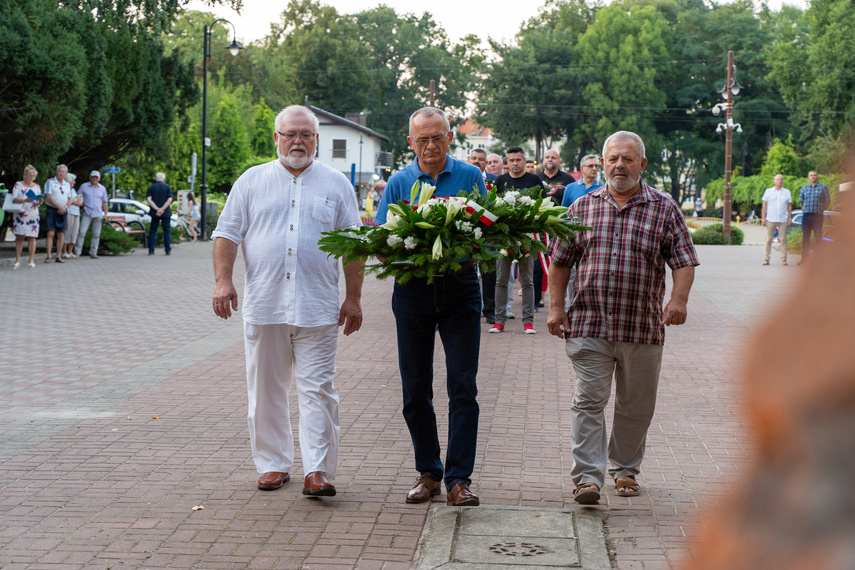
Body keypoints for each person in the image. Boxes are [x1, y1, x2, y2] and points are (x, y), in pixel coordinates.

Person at [212, 105, 364, 498]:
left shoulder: (336, 184)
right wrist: (223, 282)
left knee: (318, 390)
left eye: (306, 135)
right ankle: (273, 464)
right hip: (265, 304)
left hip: (318, 306)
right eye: (291, 134)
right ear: (276, 138)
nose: (298, 141)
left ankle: (317, 470)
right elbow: (227, 234)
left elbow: (354, 245)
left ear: (317, 139)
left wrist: (354, 298)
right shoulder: (251, 181)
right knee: (265, 389)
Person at [546, 131, 699, 505]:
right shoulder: (581, 208)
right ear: (602, 163)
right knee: (588, 401)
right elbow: (560, 262)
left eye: (628, 159)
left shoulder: (664, 207)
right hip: (589, 324)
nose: (619, 166)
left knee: (636, 404)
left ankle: (625, 468)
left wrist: (678, 301)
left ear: (642, 164)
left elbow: (683, 260)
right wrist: (555, 308)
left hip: (641, 326)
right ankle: (587, 479)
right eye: (612, 159)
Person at [374, 107, 486, 507]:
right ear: (410, 142)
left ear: (450, 137)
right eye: (422, 139)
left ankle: (459, 478)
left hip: (460, 289)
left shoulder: (471, 177)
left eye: (437, 137)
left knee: (463, 385)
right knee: (415, 386)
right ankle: (428, 472)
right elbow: (380, 240)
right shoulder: (399, 182)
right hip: (413, 291)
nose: (431, 146)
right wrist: (407, 254)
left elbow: (486, 231)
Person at [490, 147, 545, 335]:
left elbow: (543, 206)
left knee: (528, 281)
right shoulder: (501, 181)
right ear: (506, 162)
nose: (515, 163)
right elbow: (493, 208)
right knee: (501, 280)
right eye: (511, 160)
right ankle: (499, 320)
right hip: (505, 238)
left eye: (518, 160)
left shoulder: (534, 180)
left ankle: (528, 322)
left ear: (524, 160)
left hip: (527, 237)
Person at [10, 165, 43, 269]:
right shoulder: (18, 184)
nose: (32, 178)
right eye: (30, 176)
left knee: (32, 237)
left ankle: (31, 260)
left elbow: (37, 202)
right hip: (21, 213)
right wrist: (24, 200)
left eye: (34, 176)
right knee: (20, 236)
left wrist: (40, 202)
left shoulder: (37, 186)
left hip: (33, 214)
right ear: (25, 175)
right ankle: (17, 260)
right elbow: (14, 198)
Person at [797, 170, 830, 265]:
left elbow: (827, 202)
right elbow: (801, 202)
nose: (813, 177)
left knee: (818, 238)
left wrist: (821, 210)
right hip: (806, 216)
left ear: (817, 176)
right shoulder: (804, 188)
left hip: (818, 216)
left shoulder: (823, 188)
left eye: (815, 175)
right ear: (808, 177)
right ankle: (804, 259)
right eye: (811, 175)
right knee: (805, 238)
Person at [73, 171, 109, 259]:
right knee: (82, 232)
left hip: (98, 213)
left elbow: (105, 202)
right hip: (87, 211)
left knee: (96, 234)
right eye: (93, 177)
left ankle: (93, 252)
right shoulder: (84, 186)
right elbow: (78, 198)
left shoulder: (102, 188)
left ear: (99, 179)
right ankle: (77, 252)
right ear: (90, 177)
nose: (95, 179)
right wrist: (82, 206)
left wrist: (106, 214)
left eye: (97, 177)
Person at [761, 174, 792, 266]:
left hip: (783, 219)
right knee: (769, 239)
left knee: (783, 240)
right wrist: (763, 218)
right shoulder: (768, 191)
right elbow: (764, 205)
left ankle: (784, 259)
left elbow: (789, 206)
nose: (779, 181)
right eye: (778, 179)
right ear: (774, 181)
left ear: (783, 181)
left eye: (781, 179)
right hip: (771, 218)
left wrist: (789, 218)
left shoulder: (787, 192)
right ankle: (766, 258)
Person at [43, 164, 71, 263]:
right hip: (52, 209)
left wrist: (65, 207)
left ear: (66, 174)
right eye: (59, 171)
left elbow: (70, 198)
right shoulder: (50, 182)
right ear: (56, 172)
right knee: (50, 232)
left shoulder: (67, 184)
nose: (61, 173)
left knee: (61, 234)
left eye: (63, 172)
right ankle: (49, 256)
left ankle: (58, 256)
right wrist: (59, 207)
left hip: (63, 210)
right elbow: (48, 197)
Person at [146, 172, 174, 255]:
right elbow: (169, 199)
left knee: (153, 230)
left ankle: (151, 250)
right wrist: (162, 209)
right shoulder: (167, 187)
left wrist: (157, 209)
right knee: (167, 231)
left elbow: (149, 199)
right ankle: (167, 250)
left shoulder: (151, 187)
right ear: (164, 179)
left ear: (156, 179)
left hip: (154, 213)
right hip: (166, 213)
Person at [62, 173, 82, 259]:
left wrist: (78, 202)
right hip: (69, 212)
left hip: (76, 212)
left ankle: (70, 251)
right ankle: (64, 251)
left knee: (74, 232)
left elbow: (77, 200)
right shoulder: (65, 189)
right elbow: (64, 201)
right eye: (73, 180)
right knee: (67, 232)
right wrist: (74, 202)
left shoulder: (73, 190)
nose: (74, 182)